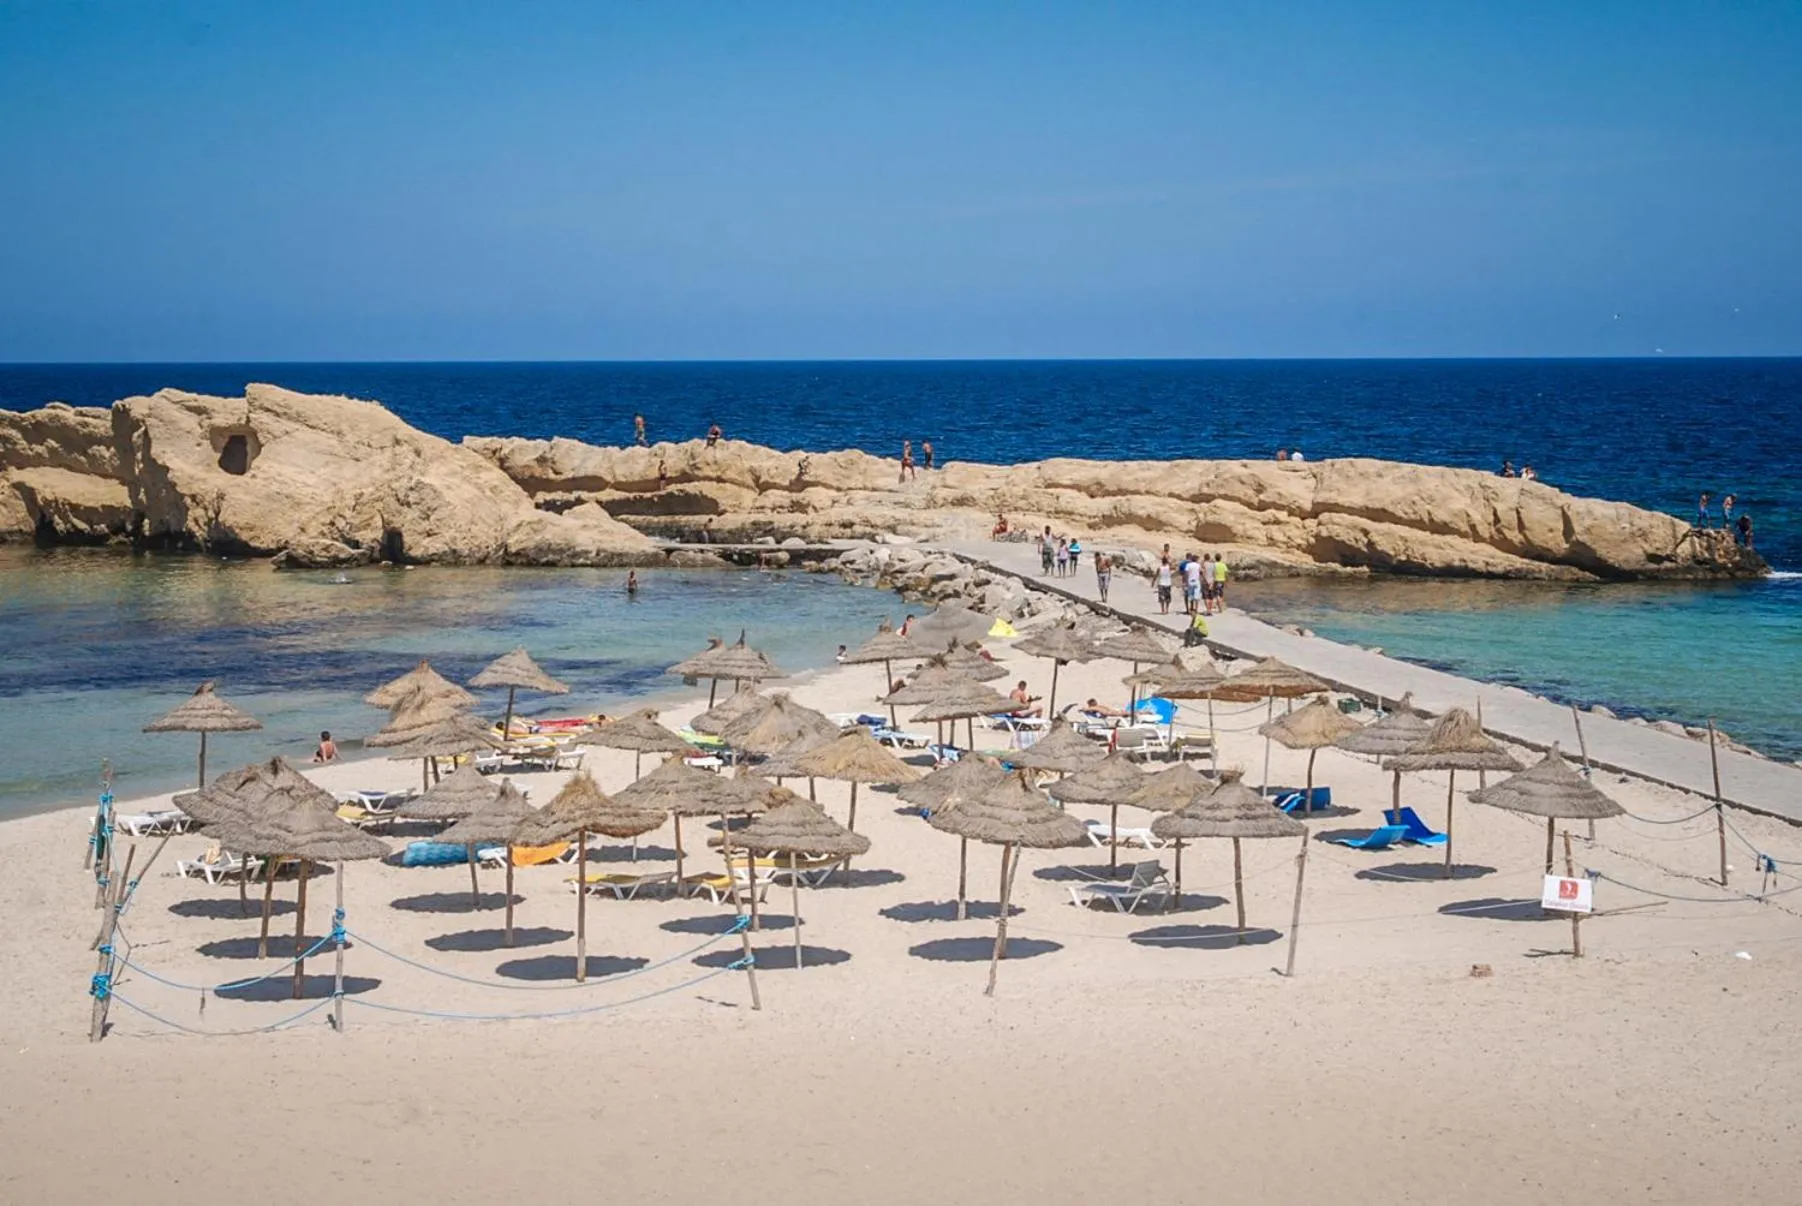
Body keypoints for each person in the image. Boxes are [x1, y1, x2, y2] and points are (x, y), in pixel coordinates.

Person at [1181, 551, 1203, 616]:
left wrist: (1186, 581)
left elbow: (1186, 573)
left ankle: (1191, 609)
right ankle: (1196, 609)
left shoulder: (1188, 565)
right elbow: (1201, 572)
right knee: (1197, 596)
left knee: (1191, 596)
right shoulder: (1198, 565)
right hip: (1196, 581)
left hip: (1190, 581)